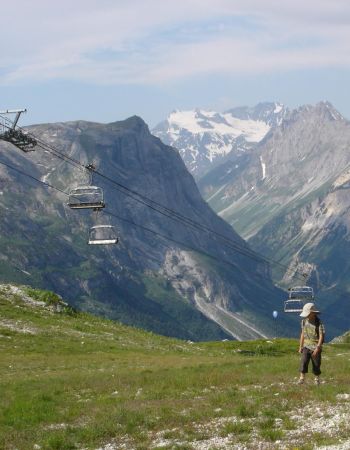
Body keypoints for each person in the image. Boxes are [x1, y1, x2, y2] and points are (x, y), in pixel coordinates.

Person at [298, 303, 325, 385]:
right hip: (306, 346)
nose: (306, 316)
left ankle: (317, 379)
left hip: (315, 347)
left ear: (313, 313)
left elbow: (321, 336)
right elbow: (302, 334)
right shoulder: (303, 322)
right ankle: (301, 378)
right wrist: (300, 346)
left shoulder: (319, 323)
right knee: (304, 361)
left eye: (308, 314)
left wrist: (318, 348)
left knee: (316, 364)